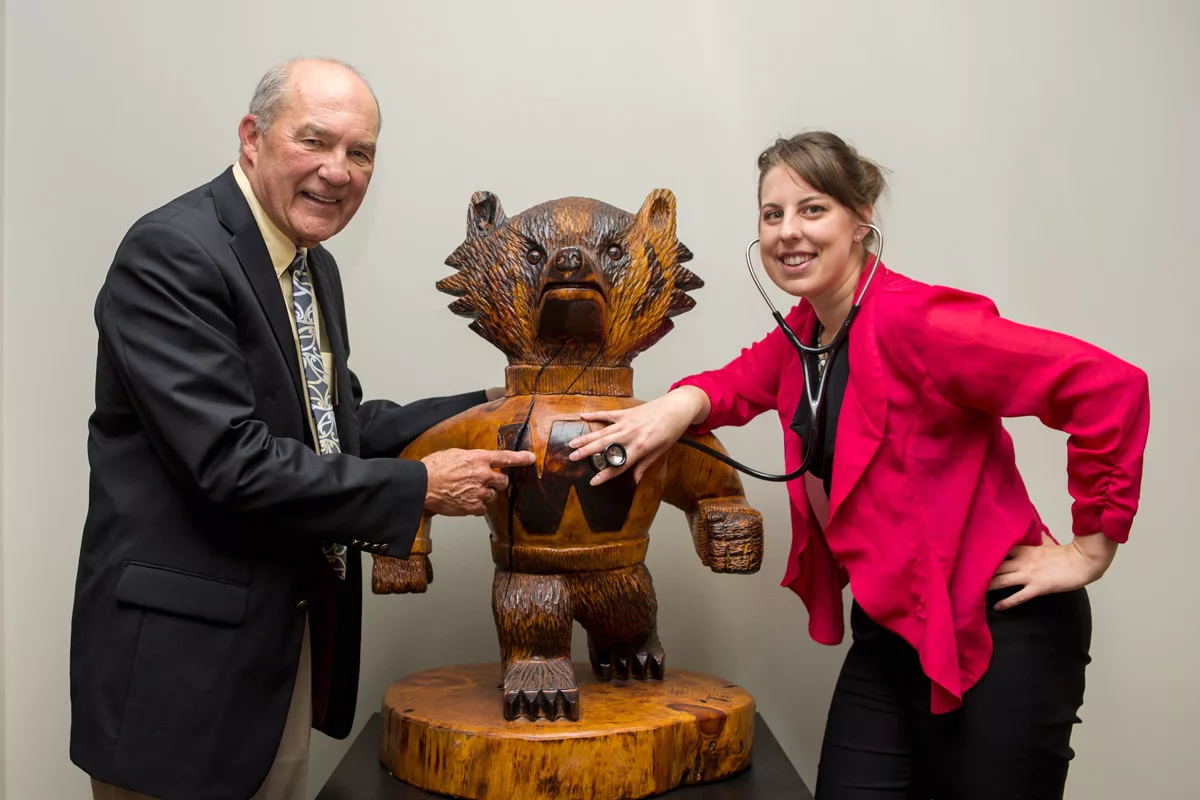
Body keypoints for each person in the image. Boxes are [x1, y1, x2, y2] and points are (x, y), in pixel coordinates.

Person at [568, 130, 1150, 799]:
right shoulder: (807, 333)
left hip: (998, 628)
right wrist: (674, 408)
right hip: (894, 628)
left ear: (861, 218)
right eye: (772, 214)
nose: (788, 232)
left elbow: (1110, 386)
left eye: (812, 209)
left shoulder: (919, 321)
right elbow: (736, 382)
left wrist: (1091, 546)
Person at [70, 58, 534, 800]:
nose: (337, 171)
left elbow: (337, 427)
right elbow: (233, 461)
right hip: (181, 672)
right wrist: (421, 486)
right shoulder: (172, 254)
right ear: (252, 138)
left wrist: (493, 402)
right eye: (315, 141)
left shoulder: (311, 266)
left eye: (360, 153)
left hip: (279, 652)